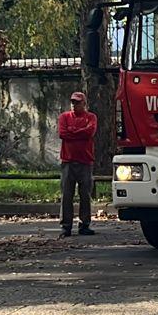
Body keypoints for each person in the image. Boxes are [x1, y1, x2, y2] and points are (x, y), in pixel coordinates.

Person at [57, 91, 98, 237]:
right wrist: (79, 132)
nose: (74, 105)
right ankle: (66, 226)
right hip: (68, 161)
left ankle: (84, 224)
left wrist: (73, 131)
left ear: (84, 104)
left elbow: (90, 132)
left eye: (77, 102)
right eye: (73, 102)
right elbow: (62, 133)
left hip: (85, 161)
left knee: (85, 195)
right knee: (66, 195)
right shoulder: (64, 117)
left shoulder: (91, 117)